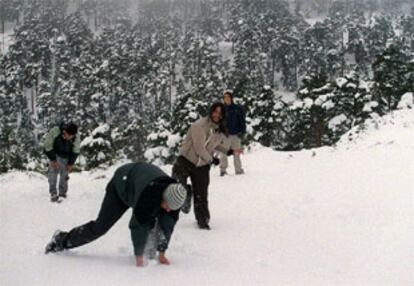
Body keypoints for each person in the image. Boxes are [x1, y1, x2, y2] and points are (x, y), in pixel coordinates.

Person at [45, 162, 187, 267]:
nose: (169, 210)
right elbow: (137, 225)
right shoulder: (149, 196)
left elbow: (167, 226)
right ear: (163, 197)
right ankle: (60, 240)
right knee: (100, 227)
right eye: (167, 206)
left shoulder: (175, 199)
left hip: (139, 186)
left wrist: (162, 253)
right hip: (121, 186)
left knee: (155, 220)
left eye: (171, 209)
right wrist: (139, 257)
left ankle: (149, 252)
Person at [172, 102, 241, 230]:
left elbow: (215, 144)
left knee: (201, 195)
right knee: (176, 189)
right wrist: (211, 160)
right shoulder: (199, 125)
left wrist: (228, 151)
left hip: (202, 166)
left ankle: (203, 221)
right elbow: (199, 148)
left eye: (220, 113)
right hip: (185, 160)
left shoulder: (219, 129)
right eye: (215, 111)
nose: (217, 115)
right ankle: (185, 192)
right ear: (211, 111)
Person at [44, 122, 80, 202]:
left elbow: (76, 151)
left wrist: (70, 164)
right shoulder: (55, 131)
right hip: (55, 153)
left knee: (65, 174)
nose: (69, 137)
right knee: (52, 173)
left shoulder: (76, 137)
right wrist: (53, 160)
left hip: (67, 156)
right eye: (68, 135)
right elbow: (47, 146)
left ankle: (62, 193)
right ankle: (53, 193)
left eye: (71, 136)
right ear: (65, 132)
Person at [220, 91, 246, 176]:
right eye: (225, 97)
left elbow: (242, 120)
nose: (227, 98)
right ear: (223, 99)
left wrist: (242, 131)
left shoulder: (237, 108)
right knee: (223, 153)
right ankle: (223, 170)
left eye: (228, 97)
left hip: (235, 134)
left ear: (231, 98)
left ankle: (238, 170)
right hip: (225, 135)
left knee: (237, 153)